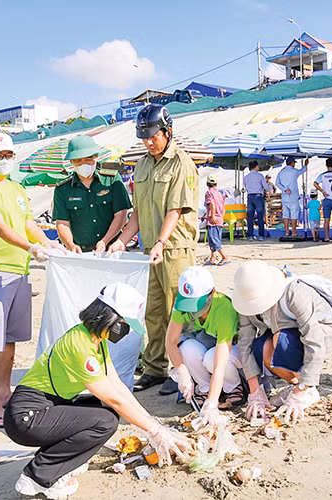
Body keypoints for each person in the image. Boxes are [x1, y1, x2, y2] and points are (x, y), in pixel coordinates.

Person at [5, 284, 191, 499]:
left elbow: (118, 388)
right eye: (124, 324)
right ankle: (39, 476)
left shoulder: (96, 341)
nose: (126, 330)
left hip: (47, 407)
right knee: (104, 421)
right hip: (26, 416)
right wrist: (156, 433)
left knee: (100, 409)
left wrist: (153, 424)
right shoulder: (80, 345)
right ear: (109, 317)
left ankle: (62, 463)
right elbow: (115, 399)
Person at [0, 132, 66, 428]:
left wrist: (48, 243)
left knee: (9, 340)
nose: (5, 161)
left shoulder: (17, 188)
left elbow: (26, 223)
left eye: (9, 155)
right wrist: (31, 247)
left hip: (18, 270)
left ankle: (4, 391)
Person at [108, 104, 199, 395]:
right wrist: (123, 240)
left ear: (167, 131)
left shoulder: (181, 163)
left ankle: (182, 370)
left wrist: (160, 242)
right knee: (154, 312)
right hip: (151, 249)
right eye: (144, 137)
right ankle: (155, 367)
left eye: (153, 135)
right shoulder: (143, 164)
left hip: (175, 248)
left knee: (179, 310)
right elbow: (138, 212)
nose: (148, 141)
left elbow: (175, 209)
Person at [231, 260, 332, 424]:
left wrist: (299, 394)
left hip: (321, 335)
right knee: (261, 347)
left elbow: (314, 340)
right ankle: (297, 384)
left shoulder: (294, 292)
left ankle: (306, 389)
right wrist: (255, 391)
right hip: (285, 336)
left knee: (280, 340)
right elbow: (245, 342)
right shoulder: (245, 301)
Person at [166, 267, 243, 426]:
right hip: (208, 343)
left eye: (196, 303)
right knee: (186, 348)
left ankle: (234, 387)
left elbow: (220, 363)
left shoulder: (224, 308)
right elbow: (170, 342)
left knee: (211, 359)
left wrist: (212, 403)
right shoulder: (181, 303)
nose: (192, 309)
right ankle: (204, 389)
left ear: (211, 293)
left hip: (234, 350)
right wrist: (183, 373)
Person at [53, 135, 132, 253]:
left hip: (111, 249)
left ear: (96, 156)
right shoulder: (62, 189)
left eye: (88, 158)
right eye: (77, 160)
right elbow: (62, 223)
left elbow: (121, 214)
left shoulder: (111, 180)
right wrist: (70, 245)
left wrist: (104, 241)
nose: (83, 163)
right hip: (80, 252)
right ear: (71, 162)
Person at [275, 158, 308, 238]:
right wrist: (305, 164)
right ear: (292, 163)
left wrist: (285, 189)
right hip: (293, 197)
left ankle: (286, 232)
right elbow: (302, 171)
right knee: (294, 215)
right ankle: (293, 232)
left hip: (285, 197)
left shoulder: (281, 172)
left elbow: (277, 183)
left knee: (285, 215)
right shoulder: (294, 171)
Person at [205, 175, 229, 265]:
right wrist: (220, 218)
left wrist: (213, 216)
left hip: (213, 220)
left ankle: (224, 257)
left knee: (213, 239)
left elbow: (211, 204)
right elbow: (224, 208)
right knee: (215, 239)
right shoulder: (220, 194)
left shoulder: (209, 193)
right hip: (219, 219)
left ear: (207, 183)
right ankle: (212, 258)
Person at [242, 160, 268, 241]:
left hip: (250, 196)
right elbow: (266, 187)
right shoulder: (260, 176)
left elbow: (244, 188)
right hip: (258, 196)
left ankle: (250, 235)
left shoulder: (246, 177)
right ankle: (261, 235)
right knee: (260, 216)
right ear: (256, 167)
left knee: (250, 217)